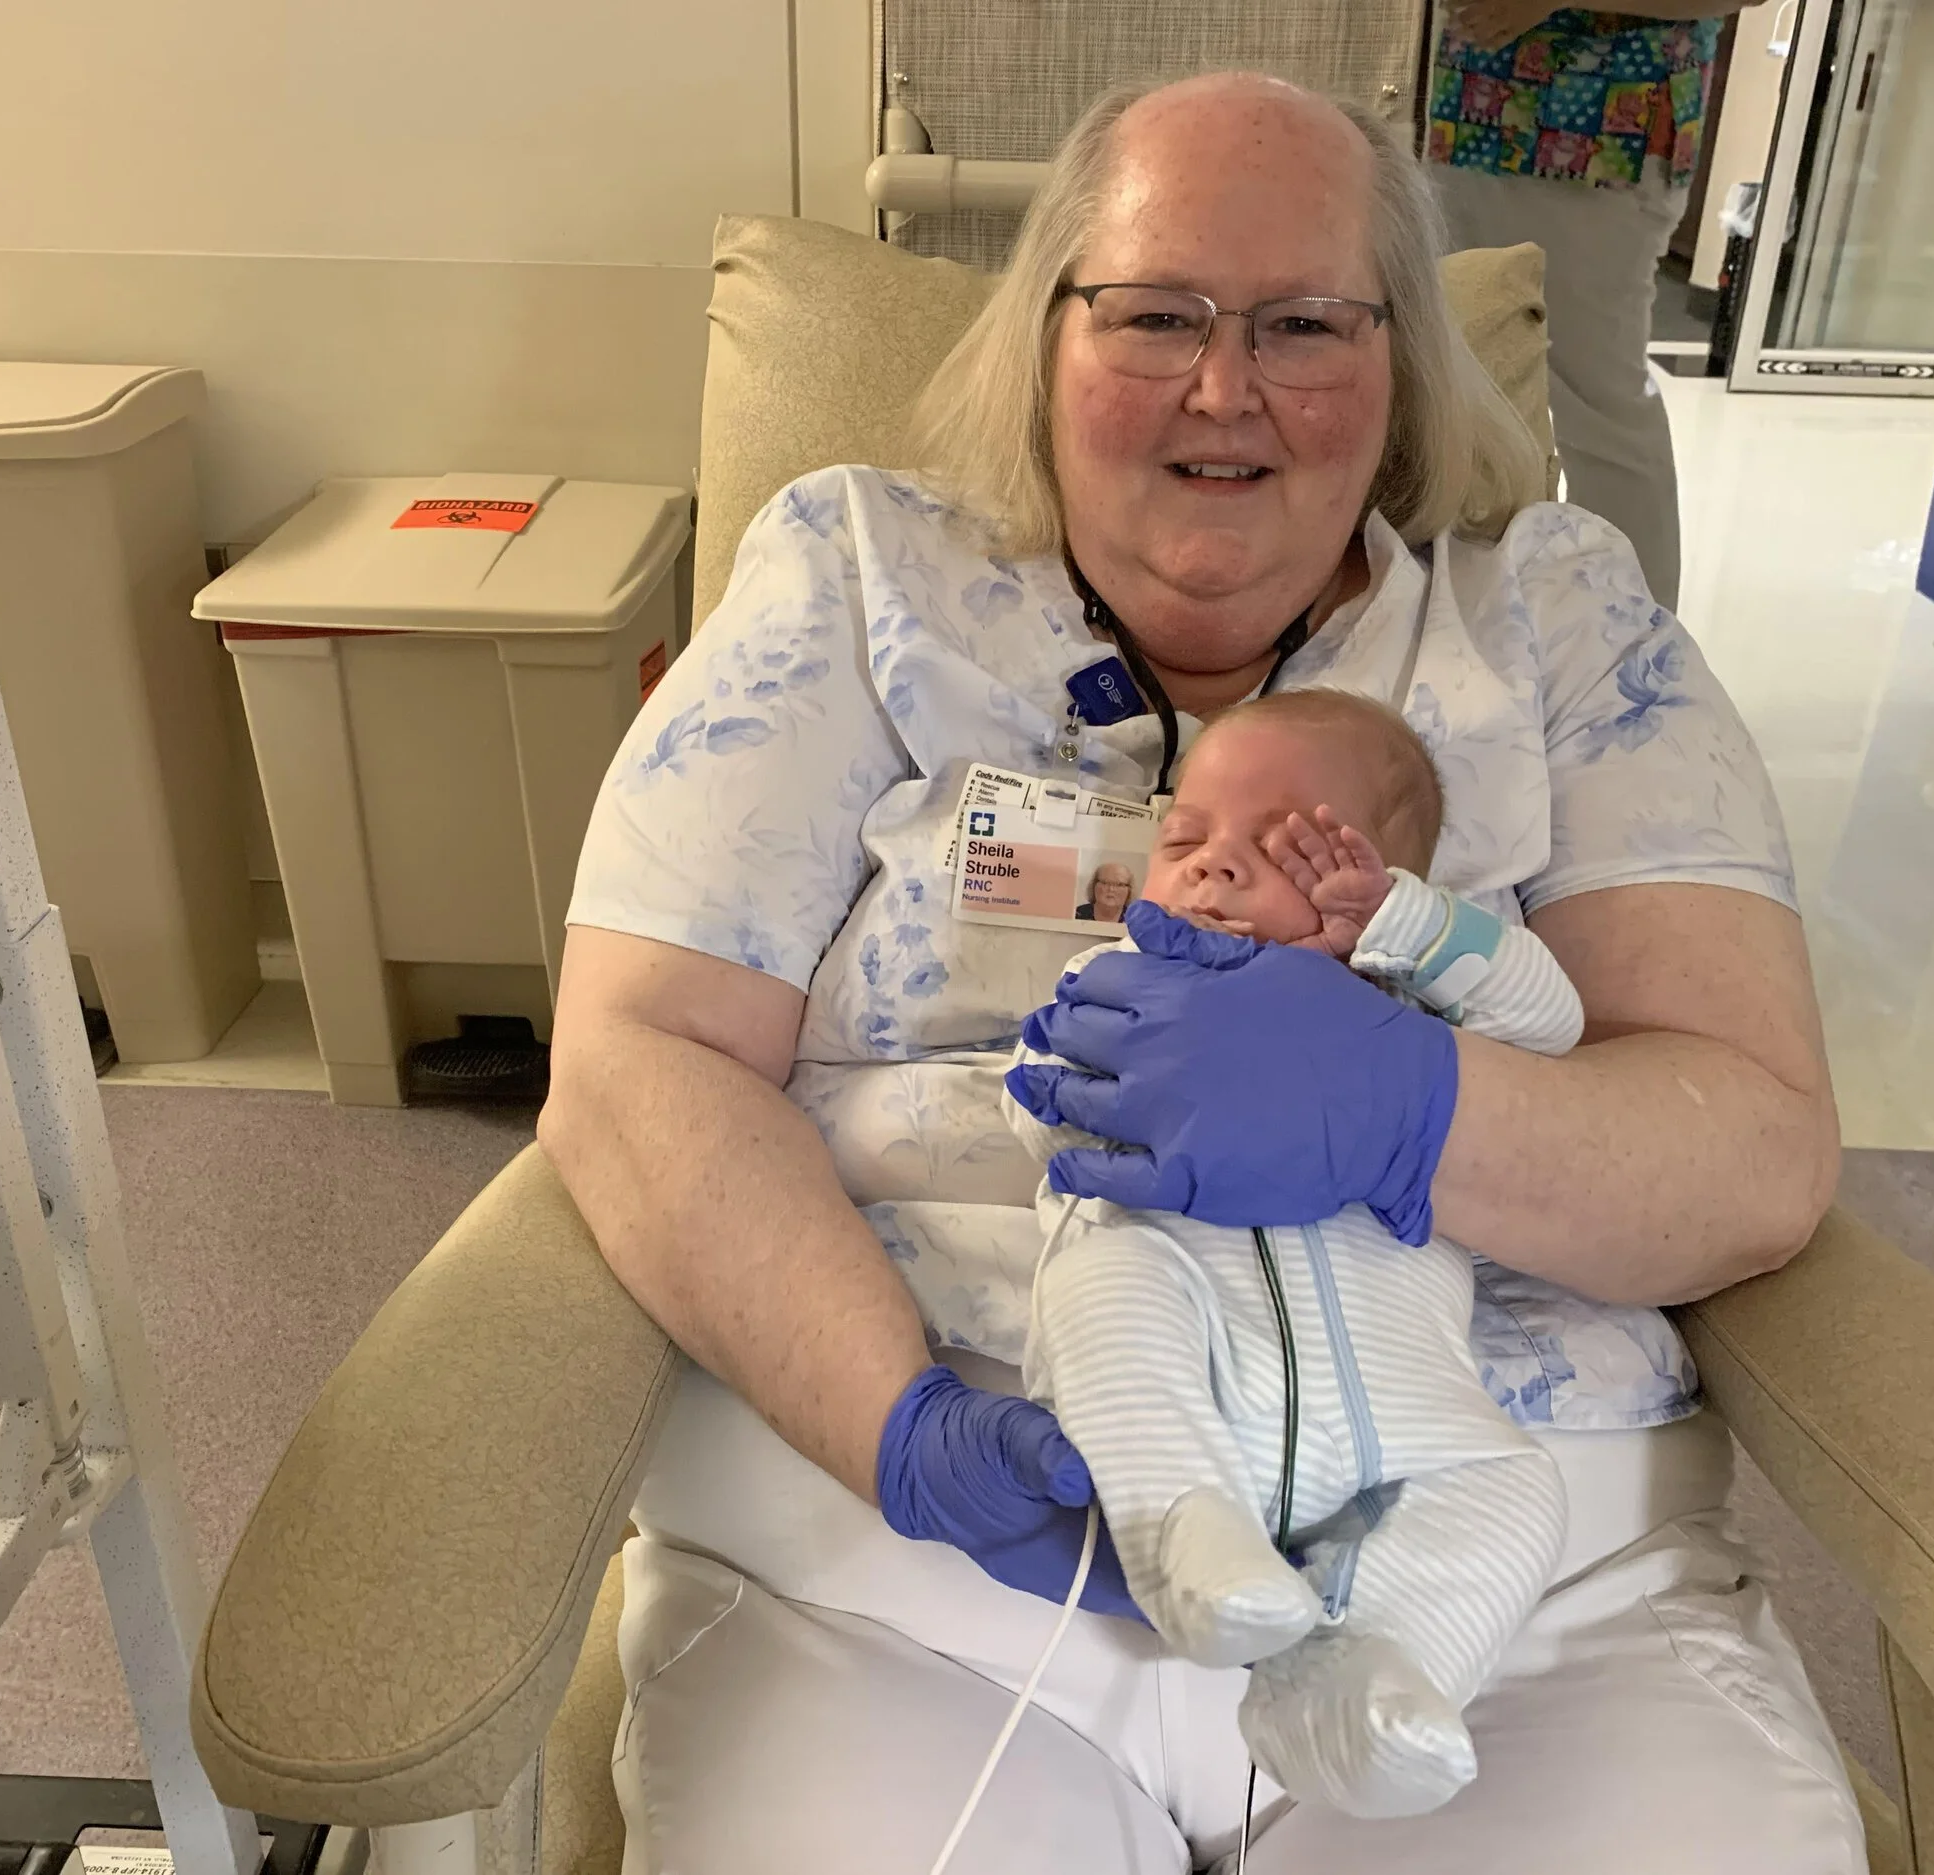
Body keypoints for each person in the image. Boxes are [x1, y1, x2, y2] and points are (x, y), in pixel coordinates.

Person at [545, 69, 1856, 1873]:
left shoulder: (1555, 623)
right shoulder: (857, 581)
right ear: (1045, 340)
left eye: (1307, 324)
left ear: (1398, 368)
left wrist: (1413, 1110)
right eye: (1157, 313)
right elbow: (636, 1057)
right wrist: (898, 1430)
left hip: (1503, 1573)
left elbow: (1752, 1146)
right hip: (893, 1560)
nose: (1224, 390)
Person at [1008, 689, 1583, 1819]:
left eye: (1283, 846)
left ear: (1378, 878)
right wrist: (1126, 1057)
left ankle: (1354, 1684)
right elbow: (1039, 1108)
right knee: (1103, 1279)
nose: (1212, 867)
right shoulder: (1125, 986)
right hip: (1193, 1364)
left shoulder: (1418, 1015)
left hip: (1394, 1407)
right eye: (1184, 840)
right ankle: (1184, 1534)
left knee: (1518, 1492)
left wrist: (1402, 932)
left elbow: (1552, 1019)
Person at [1426, 2, 1743, 607]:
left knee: (1594, 407)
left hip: (1596, 134)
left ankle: (1632, 660)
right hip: (1452, 114)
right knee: (1459, 399)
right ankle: (1481, 632)